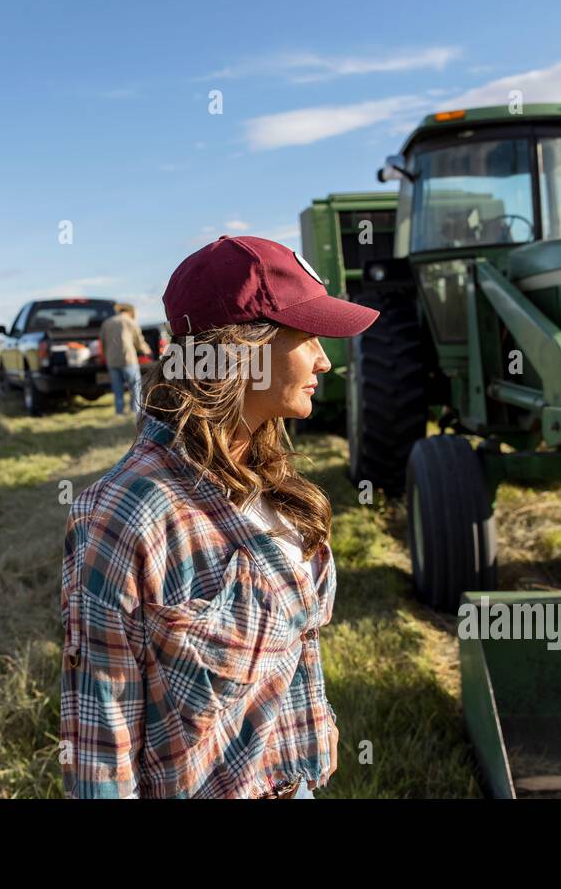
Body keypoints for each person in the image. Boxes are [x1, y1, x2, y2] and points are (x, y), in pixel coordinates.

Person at [60, 234, 380, 798]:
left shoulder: (275, 482)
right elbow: (99, 756)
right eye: (307, 337)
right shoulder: (125, 517)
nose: (325, 360)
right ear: (242, 351)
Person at [98, 303, 152, 416]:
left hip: (111, 360)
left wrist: (104, 356)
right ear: (130, 312)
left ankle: (119, 412)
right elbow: (139, 341)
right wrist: (148, 351)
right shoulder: (130, 322)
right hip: (128, 359)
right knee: (135, 386)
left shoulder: (107, 323)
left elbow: (102, 343)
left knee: (117, 388)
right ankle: (135, 411)